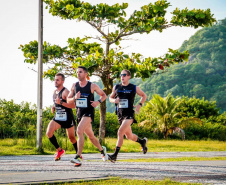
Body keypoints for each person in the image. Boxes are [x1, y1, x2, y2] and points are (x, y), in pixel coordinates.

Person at [67, 66, 108, 167]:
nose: (78, 74)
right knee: (91, 136)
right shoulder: (74, 85)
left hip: (89, 112)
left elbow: (104, 95)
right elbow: (68, 100)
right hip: (79, 113)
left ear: (86, 74)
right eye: (77, 72)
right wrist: (74, 98)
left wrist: (97, 102)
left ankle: (78, 156)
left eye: (80, 72)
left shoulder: (92, 85)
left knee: (79, 130)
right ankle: (102, 151)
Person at [108, 69, 148, 163]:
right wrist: (114, 101)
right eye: (121, 75)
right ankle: (142, 142)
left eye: (124, 75)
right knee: (129, 136)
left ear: (129, 76)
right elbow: (110, 98)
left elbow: (144, 96)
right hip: (120, 115)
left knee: (120, 132)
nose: (122, 76)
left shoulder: (134, 87)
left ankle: (114, 155)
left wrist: (139, 105)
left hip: (129, 114)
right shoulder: (116, 87)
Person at [46, 73, 77, 161]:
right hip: (58, 117)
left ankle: (79, 154)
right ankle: (59, 150)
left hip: (67, 117)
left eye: (57, 80)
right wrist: (54, 107)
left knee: (71, 138)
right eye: (55, 80)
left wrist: (61, 103)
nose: (55, 82)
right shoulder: (54, 92)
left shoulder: (65, 92)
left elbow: (74, 105)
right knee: (49, 133)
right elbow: (56, 102)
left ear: (62, 81)